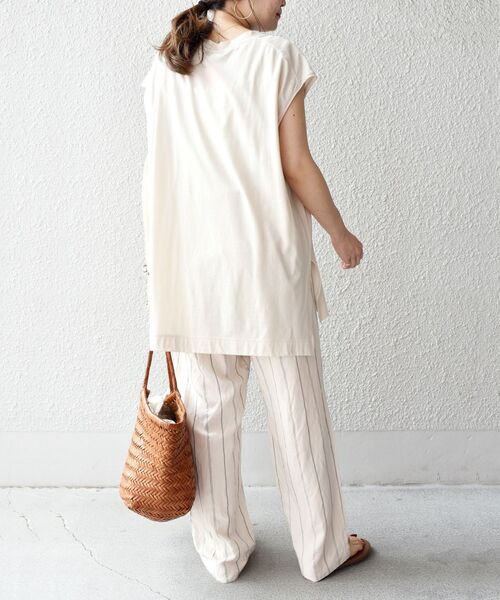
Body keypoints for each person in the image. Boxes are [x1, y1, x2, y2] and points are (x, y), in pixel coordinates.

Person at [140, 0, 371, 584]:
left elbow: (159, 175)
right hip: (268, 269)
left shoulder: (169, 64)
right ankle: (322, 550)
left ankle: (223, 554)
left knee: (210, 418)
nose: (287, 0)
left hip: (193, 273)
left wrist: (159, 268)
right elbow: (297, 166)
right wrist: (339, 233)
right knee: (299, 414)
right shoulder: (275, 58)